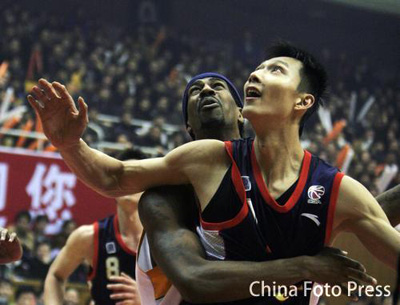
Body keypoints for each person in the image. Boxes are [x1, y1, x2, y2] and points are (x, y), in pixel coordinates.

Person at [28, 43, 400, 303]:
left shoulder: (332, 186)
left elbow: (360, 215)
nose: (255, 74)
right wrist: (69, 145)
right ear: (187, 127)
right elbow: (194, 280)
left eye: (220, 85)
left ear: (241, 111)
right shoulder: (177, 183)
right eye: (195, 90)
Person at [44, 150, 144, 305]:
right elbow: (55, 276)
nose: (127, 183)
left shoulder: (166, 239)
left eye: (135, 178)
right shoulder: (90, 236)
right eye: (122, 177)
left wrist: (147, 299)